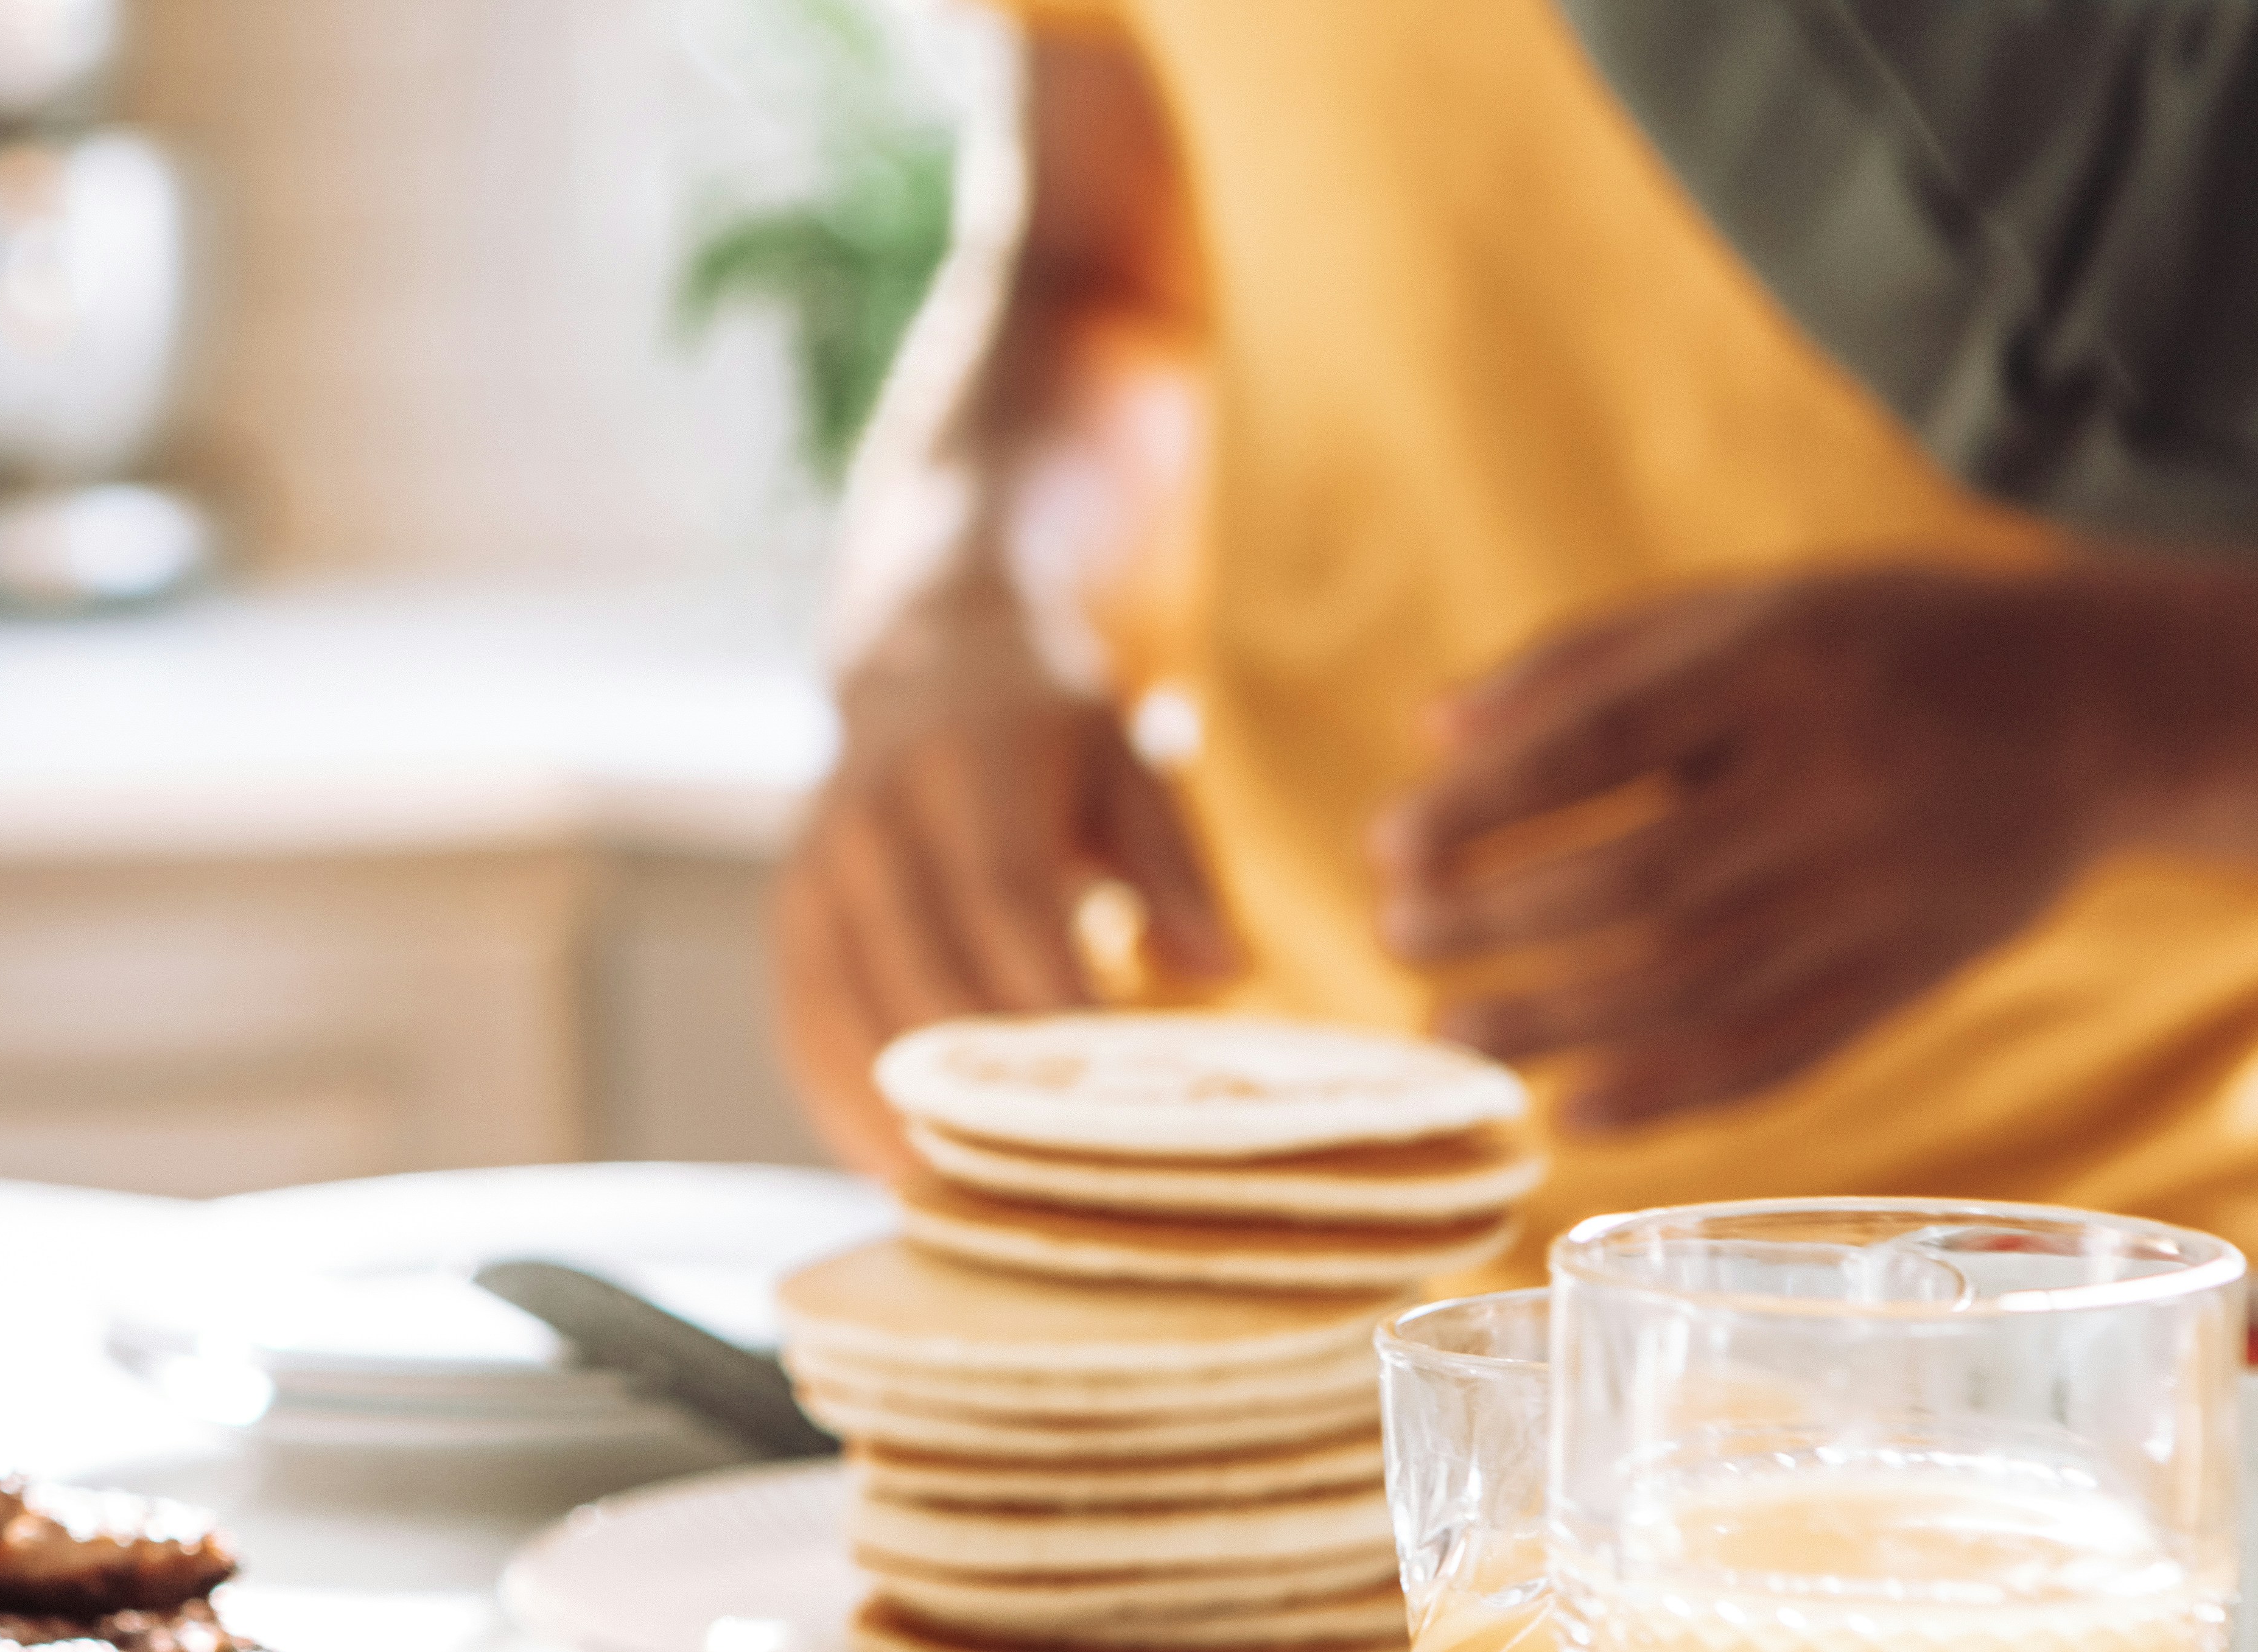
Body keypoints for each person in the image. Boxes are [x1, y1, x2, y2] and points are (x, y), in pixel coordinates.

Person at [781, 0, 2258, 1254]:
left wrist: (2096, 716)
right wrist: (959, 600)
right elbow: (1100, 270)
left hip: (2121, 1301)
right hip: (1318, 1259)